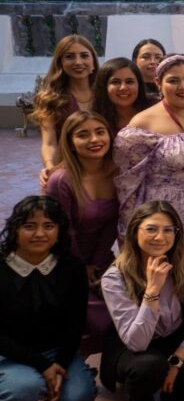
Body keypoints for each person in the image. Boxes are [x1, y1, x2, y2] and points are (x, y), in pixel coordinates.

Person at [100, 201, 184, 401]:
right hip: (134, 345)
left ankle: (177, 397)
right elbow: (137, 342)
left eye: (168, 230)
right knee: (148, 368)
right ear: (135, 232)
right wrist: (152, 289)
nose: (160, 237)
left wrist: (177, 360)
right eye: (151, 229)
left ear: (177, 233)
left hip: (176, 337)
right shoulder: (114, 277)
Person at [114, 55, 184, 280]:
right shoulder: (141, 125)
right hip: (167, 216)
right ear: (158, 83)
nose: (183, 87)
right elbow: (128, 185)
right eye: (174, 81)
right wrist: (131, 230)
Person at [0, 196, 96, 401]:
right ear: (14, 229)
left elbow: (75, 324)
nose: (40, 234)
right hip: (7, 353)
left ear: (59, 231)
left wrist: (59, 365)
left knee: (78, 396)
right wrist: (42, 365)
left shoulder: (72, 267)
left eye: (49, 226)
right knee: (24, 388)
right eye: (29, 226)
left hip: (57, 352)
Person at [45, 111, 118, 355]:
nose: (94, 139)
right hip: (64, 260)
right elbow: (64, 232)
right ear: (70, 142)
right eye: (83, 135)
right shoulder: (60, 180)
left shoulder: (115, 172)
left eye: (100, 132)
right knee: (96, 318)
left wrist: (97, 264)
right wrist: (81, 267)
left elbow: (111, 223)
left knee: (123, 309)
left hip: (100, 258)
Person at [34, 35, 99, 185]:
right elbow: (49, 142)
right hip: (69, 172)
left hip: (104, 171)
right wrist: (50, 166)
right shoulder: (50, 99)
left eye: (84, 56)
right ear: (60, 63)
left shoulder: (105, 94)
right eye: (69, 57)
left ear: (93, 62)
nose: (78, 62)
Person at [93, 58, 150, 133]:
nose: (123, 87)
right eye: (115, 82)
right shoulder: (94, 120)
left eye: (129, 82)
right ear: (103, 86)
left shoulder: (156, 109)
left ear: (139, 85)